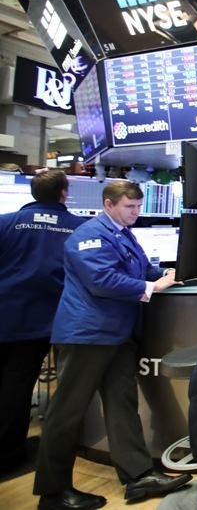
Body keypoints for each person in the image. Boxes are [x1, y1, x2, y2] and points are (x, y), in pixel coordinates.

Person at [33, 181, 189, 510]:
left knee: (122, 404)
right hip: (88, 335)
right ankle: (53, 492)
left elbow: (143, 269)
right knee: (67, 412)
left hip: (117, 334)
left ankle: (138, 475)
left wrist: (167, 273)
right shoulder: (90, 235)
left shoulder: (124, 234)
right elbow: (101, 280)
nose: (136, 212)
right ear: (108, 204)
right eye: (129, 207)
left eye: (138, 206)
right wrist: (152, 286)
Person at [0, 170, 84, 477]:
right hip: (41, 320)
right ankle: (7, 456)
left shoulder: (5, 223)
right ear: (64, 193)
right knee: (17, 385)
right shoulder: (78, 228)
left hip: (4, 312)